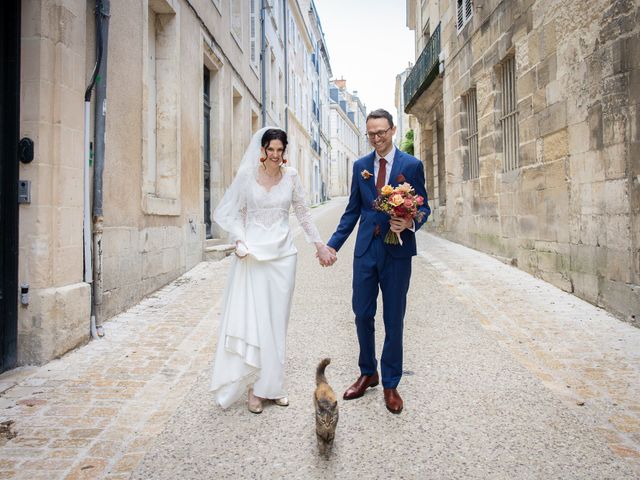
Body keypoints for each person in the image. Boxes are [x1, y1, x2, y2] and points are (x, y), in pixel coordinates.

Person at [210, 127, 336, 414]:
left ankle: (273, 386)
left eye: (280, 150)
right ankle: (254, 389)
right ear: (263, 150)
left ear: (284, 151)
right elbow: (233, 215)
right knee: (256, 321)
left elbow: (303, 213)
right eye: (271, 150)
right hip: (253, 256)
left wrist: (320, 246)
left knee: (277, 323)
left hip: (283, 257)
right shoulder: (246, 177)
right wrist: (240, 240)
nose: (276, 155)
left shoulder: (291, 177)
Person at [323, 109, 431, 414]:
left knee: (394, 318)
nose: (376, 138)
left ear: (393, 130)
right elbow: (351, 212)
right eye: (371, 133)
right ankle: (368, 372)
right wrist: (332, 246)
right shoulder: (360, 167)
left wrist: (408, 223)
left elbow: (424, 208)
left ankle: (391, 383)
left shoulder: (411, 165)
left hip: (397, 253)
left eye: (381, 132)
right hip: (366, 252)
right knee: (361, 314)